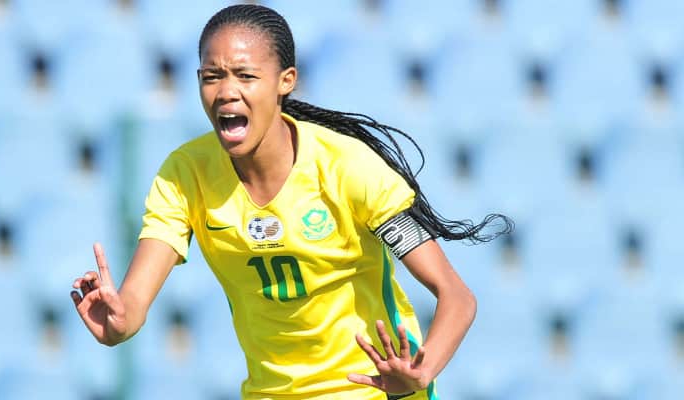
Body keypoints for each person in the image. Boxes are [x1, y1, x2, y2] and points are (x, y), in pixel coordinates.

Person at [70, 4, 513, 400]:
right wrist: (119, 323)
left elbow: (456, 296)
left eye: (245, 76)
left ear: (286, 81)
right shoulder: (185, 174)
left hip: (370, 391)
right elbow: (133, 305)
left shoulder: (348, 168)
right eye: (211, 76)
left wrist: (420, 372)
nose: (226, 91)